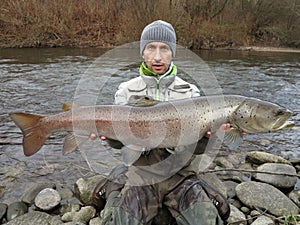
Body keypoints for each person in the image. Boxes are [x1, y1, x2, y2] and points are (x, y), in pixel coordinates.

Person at [92, 20, 232, 225]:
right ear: (142, 52)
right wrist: (111, 138)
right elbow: (120, 144)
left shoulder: (191, 93)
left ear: (173, 52)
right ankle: (117, 183)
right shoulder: (126, 91)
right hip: (141, 176)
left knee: (208, 221)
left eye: (164, 48)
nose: (157, 56)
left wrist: (207, 139)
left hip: (180, 176)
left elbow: (197, 148)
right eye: (151, 48)